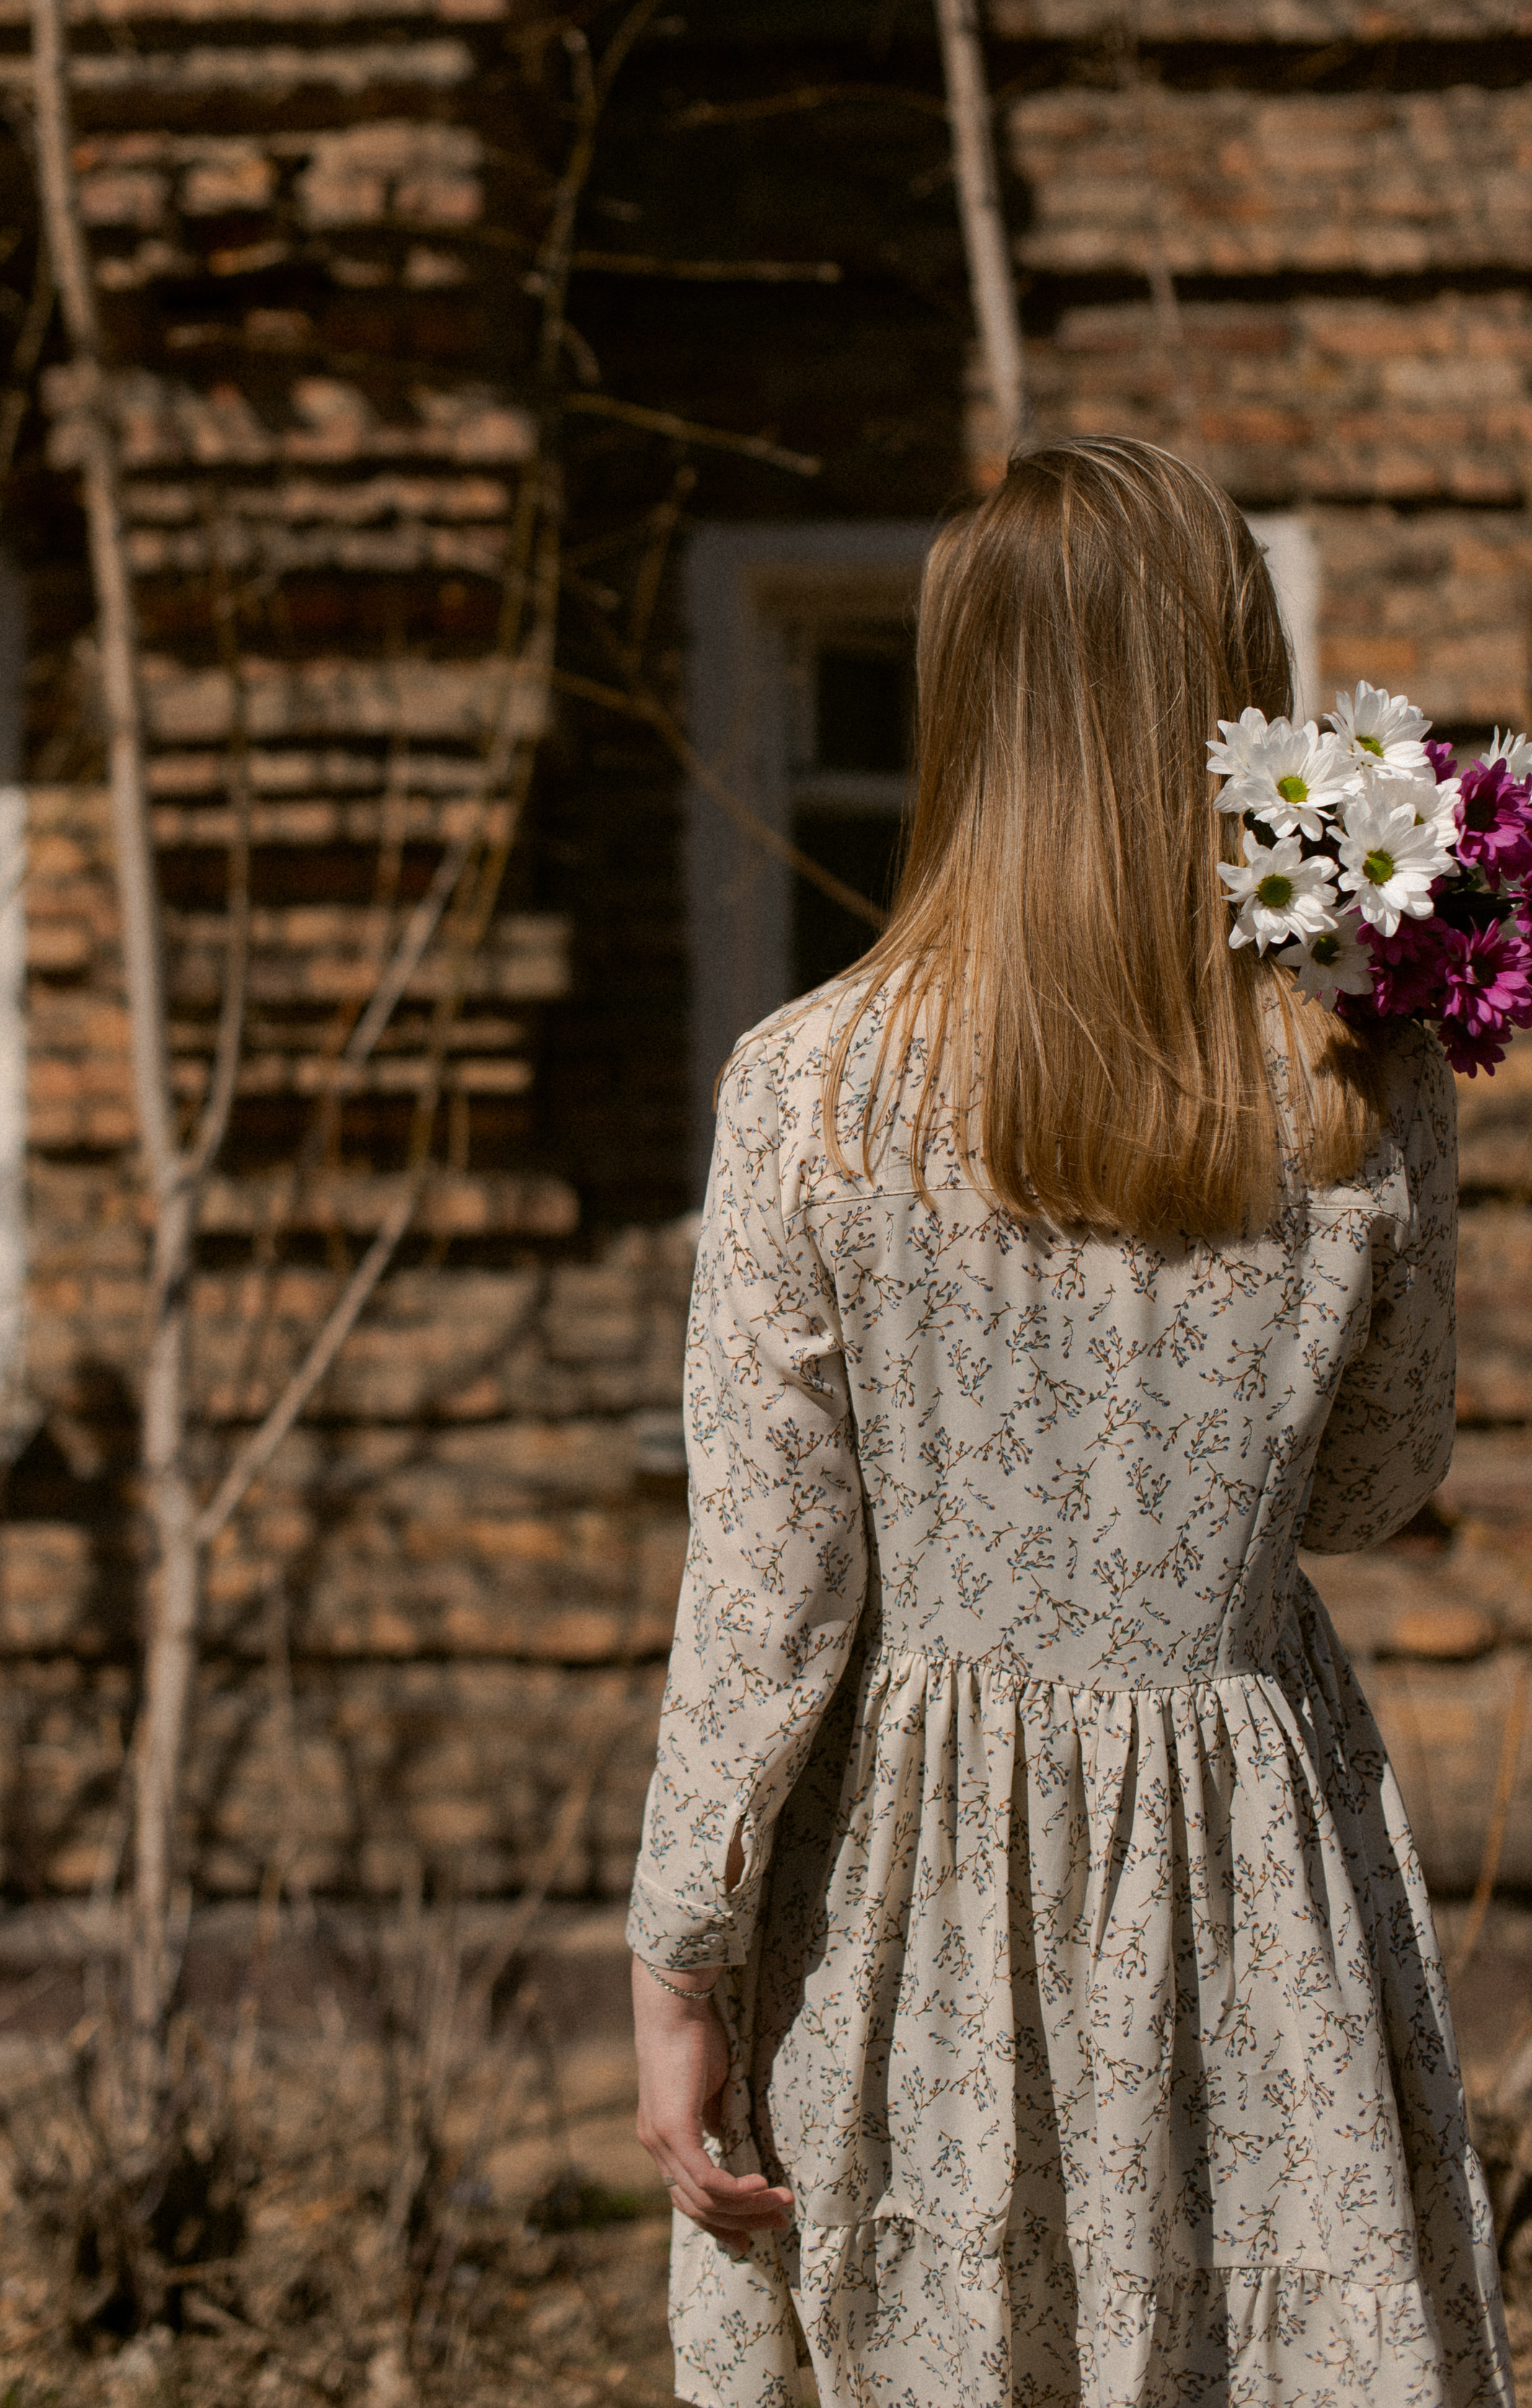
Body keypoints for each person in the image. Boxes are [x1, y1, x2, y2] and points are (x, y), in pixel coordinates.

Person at [626, 438, 1514, 2408]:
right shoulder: (1347, 1083)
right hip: (1242, 1869)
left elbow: (770, 1597)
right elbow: (1373, 1489)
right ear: (1236, 694)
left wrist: (681, 1946)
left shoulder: (813, 1089)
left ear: (971, 706)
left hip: (913, 1877)